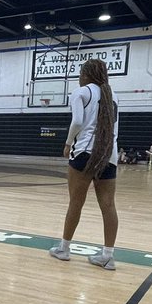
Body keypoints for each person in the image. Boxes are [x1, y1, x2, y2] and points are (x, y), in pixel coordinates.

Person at [49, 59, 120, 270]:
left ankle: (64, 248)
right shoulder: (113, 95)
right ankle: (108, 255)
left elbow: (78, 121)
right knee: (108, 205)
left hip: (84, 153)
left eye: (81, 73)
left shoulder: (81, 92)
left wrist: (68, 142)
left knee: (75, 202)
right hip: (109, 154)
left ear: (87, 74)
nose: (79, 77)